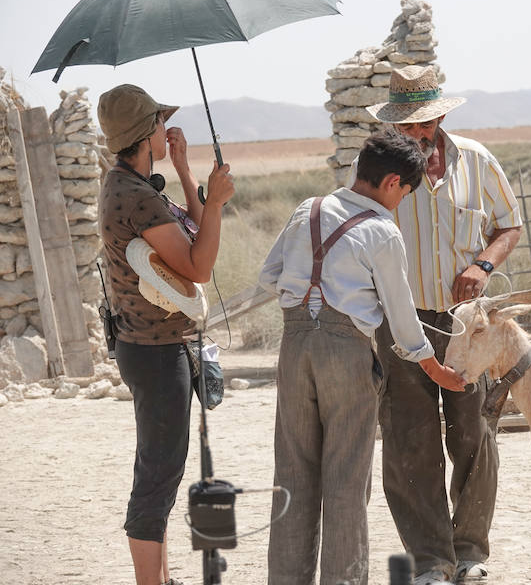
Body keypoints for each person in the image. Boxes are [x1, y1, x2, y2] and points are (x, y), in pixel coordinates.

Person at [259, 130, 466, 585]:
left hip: (294, 347)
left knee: (292, 473)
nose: (402, 202)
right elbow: (401, 313)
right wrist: (435, 368)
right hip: (346, 350)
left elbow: (268, 275)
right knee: (347, 480)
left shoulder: (306, 210)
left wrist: (308, 299)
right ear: (393, 182)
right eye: (407, 193)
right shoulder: (381, 232)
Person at [351, 65, 523, 584]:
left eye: (423, 124)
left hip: (466, 326)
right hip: (398, 321)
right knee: (409, 438)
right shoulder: (377, 169)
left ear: (441, 116)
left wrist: (483, 265)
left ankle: (470, 552)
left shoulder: (477, 160)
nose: (416, 135)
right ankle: (430, 561)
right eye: (405, 126)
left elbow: (509, 224)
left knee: (473, 432)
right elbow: (355, 231)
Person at [97, 84, 234, 585]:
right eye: (159, 123)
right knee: (158, 476)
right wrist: (215, 201)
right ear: (143, 133)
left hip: (152, 348)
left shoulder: (132, 185)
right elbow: (200, 266)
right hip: (155, 355)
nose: (166, 129)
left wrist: (184, 170)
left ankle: (163, 578)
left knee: (163, 468)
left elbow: (193, 239)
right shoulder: (135, 197)